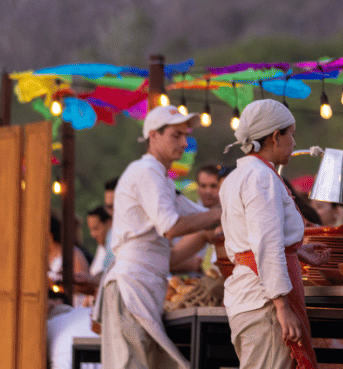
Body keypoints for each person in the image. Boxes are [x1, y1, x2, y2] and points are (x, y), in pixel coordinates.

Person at [91, 105, 222, 369]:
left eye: (185, 135)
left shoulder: (160, 178)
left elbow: (201, 220)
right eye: (176, 135)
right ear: (153, 136)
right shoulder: (147, 172)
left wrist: (227, 219)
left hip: (143, 286)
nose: (185, 142)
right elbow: (172, 227)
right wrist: (224, 213)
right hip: (130, 287)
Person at [220, 98, 330, 369]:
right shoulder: (260, 177)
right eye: (291, 135)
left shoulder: (240, 175)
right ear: (276, 136)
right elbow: (265, 242)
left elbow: (258, 237)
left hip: (252, 295)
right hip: (265, 302)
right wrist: (282, 306)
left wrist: (298, 250)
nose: (294, 142)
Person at [48, 214, 96, 307]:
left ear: (50, 235)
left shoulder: (72, 253)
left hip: (73, 306)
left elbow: (83, 286)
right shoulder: (44, 256)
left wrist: (56, 286)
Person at [86, 206, 113, 279]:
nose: (92, 235)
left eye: (96, 228)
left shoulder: (113, 244)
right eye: (91, 230)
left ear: (108, 223)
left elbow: (109, 273)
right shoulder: (101, 247)